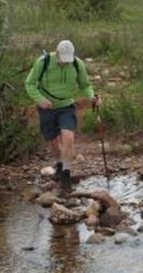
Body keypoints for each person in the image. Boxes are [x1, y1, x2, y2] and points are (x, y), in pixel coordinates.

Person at [24, 39, 100, 192]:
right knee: (53, 140)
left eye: (68, 60)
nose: (66, 63)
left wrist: (92, 96)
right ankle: (59, 163)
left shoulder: (77, 64)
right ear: (57, 53)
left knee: (68, 137)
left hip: (66, 106)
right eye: (63, 60)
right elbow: (30, 83)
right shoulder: (43, 62)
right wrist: (40, 100)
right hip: (47, 108)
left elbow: (85, 85)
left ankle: (66, 173)